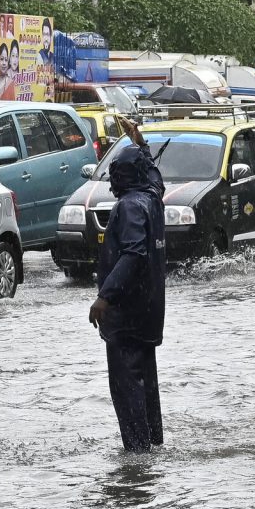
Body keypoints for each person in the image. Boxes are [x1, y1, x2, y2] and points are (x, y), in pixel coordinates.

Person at [88, 121, 167, 452]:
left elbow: (133, 254)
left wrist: (104, 297)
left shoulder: (130, 206)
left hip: (127, 315)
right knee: (146, 382)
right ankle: (153, 444)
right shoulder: (152, 198)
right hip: (149, 313)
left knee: (126, 386)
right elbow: (155, 179)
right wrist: (141, 143)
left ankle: (137, 455)